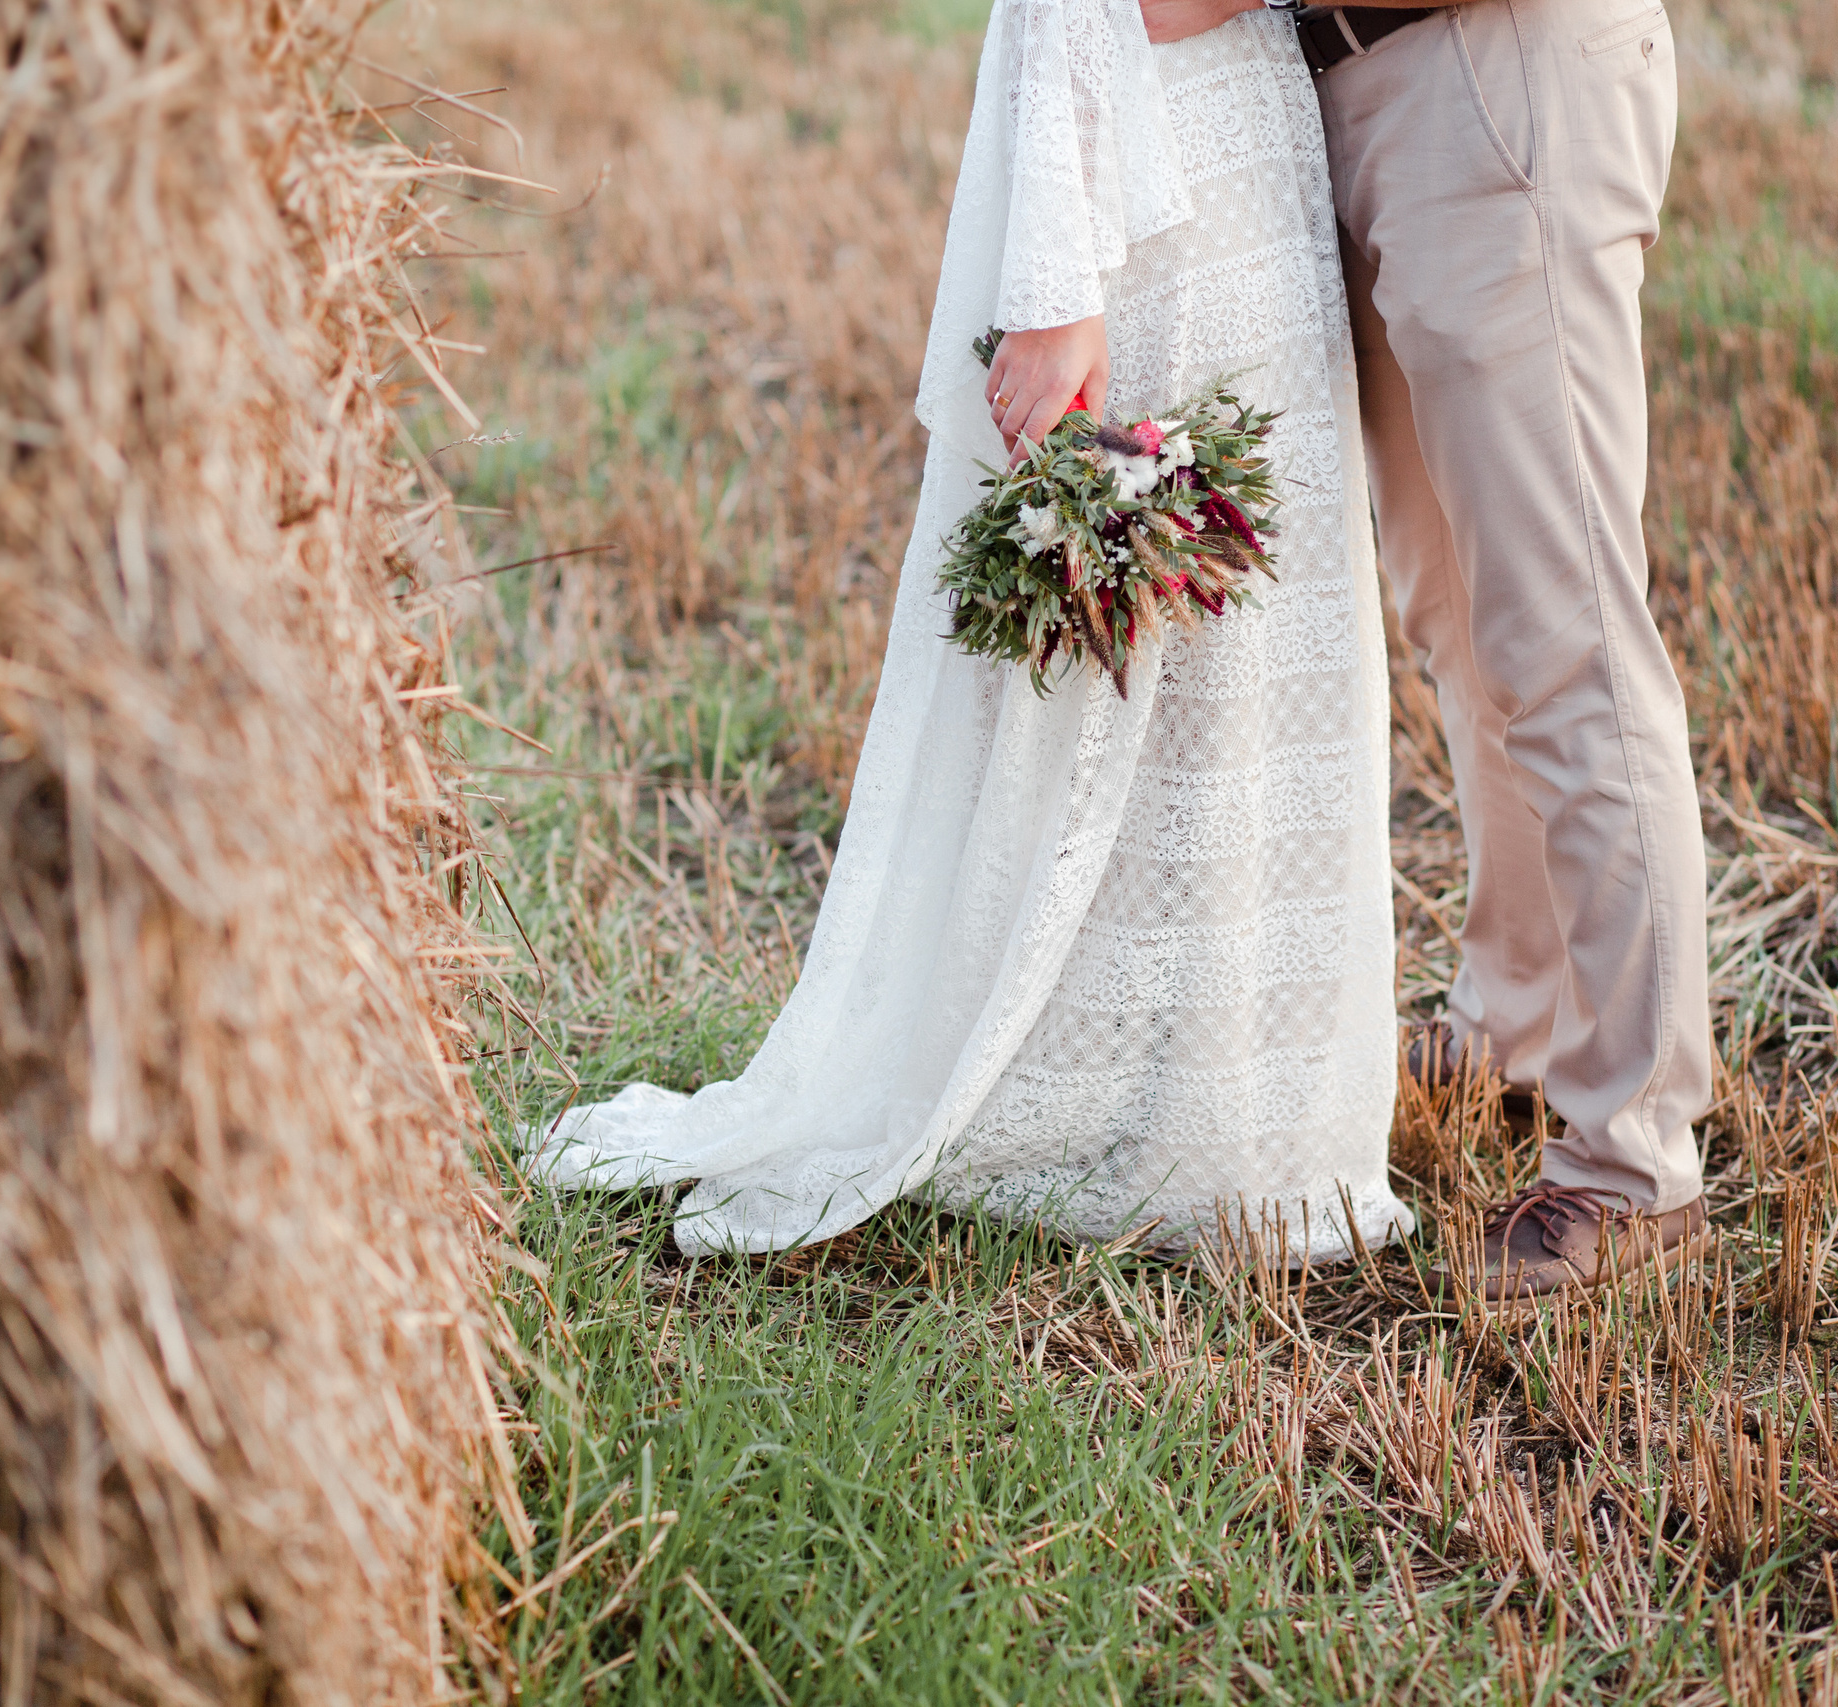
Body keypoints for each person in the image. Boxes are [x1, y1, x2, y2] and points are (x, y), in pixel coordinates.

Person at [532, 0, 1413, 1263]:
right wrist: (1055, 277)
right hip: (1145, 153)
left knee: (1228, 648)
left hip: (1212, 142)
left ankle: (1218, 1090)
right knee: (1138, 625)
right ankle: (1129, 1081)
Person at [1140, 0, 1714, 1301]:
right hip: (1354, 84)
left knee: (1565, 638)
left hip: (1487, 71)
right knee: (1460, 621)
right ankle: (1515, 1017)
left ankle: (1634, 1157)